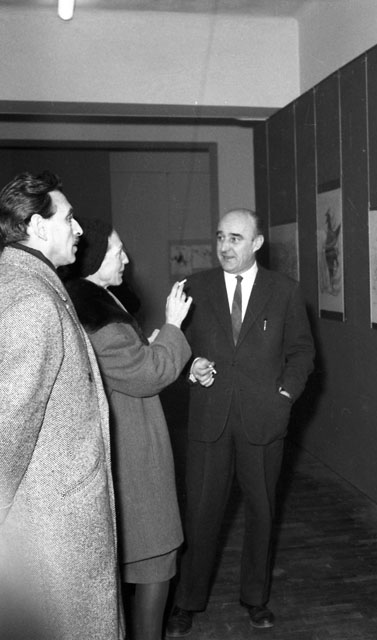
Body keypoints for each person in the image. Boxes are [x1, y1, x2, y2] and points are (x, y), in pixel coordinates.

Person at [167, 208, 314, 636]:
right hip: (209, 420)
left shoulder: (284, 291)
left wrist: (284, 396)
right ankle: (187, 601)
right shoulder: (195, 288)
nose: (225, 246)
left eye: (235, 238)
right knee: (200, 514)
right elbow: (174, 345)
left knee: (262, 513)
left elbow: (302, 353)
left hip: (263, 421)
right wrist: (191, 366)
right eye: (220, 237)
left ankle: (255, 598)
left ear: (257, 243)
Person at [0, 172, 123, 640]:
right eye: (69, 219)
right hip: (54, 531)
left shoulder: (28, 284)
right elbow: (8, 428)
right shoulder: (33, 299)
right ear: (36, 226)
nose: (79, 230)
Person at [64, 218, 193, 640]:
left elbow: (130, 363)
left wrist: (151, 347)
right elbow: (148, 375)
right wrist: (173, 326)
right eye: (117, 251)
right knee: (156, 560)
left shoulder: (94, 301)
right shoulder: (94, 314)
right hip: (133, 456)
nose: (125, 258)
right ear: (93, 260)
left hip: (127, 449)